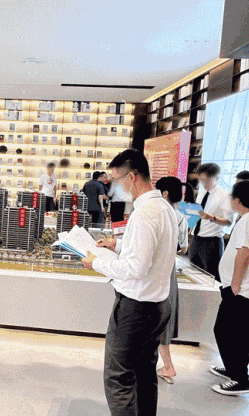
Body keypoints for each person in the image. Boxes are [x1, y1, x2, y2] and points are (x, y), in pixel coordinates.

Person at [81, 149, 177, 416]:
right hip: (158, 305)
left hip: (135, 309)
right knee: (144, 373)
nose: (116, 186)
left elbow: (135, 268)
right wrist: (118, 245)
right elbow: (151, 251)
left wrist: (96, 263)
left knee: (119, 379)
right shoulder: (163, 208)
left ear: (132, 177)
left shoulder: (145, 213)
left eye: (117, 180)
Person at [210, 180, 249, 396]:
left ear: (239, 200)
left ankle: (240, 379)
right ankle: (232, 368)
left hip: (242, 290)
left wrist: (235, 283)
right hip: (244, 289)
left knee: (232, 333)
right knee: (230, 331)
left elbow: (244, 253)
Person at [154, 176, 193, 384]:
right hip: (170, 268)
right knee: (164, 318)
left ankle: (168, 366)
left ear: (165, 193)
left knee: (156, 317)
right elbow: (184, 248)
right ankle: (166, 365)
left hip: (158, 270)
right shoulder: (181, 217)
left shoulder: (159, 213)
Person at [189, 163, 234, 281]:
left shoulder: (224, 196)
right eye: (201, 180)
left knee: (211, 278)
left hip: (211, 243)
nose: (204, 184)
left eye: (206, 180)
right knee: (193, 274)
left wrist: (212, 218)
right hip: (196, 239)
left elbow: (229, 222)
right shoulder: (202, 192)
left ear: (216, 178)